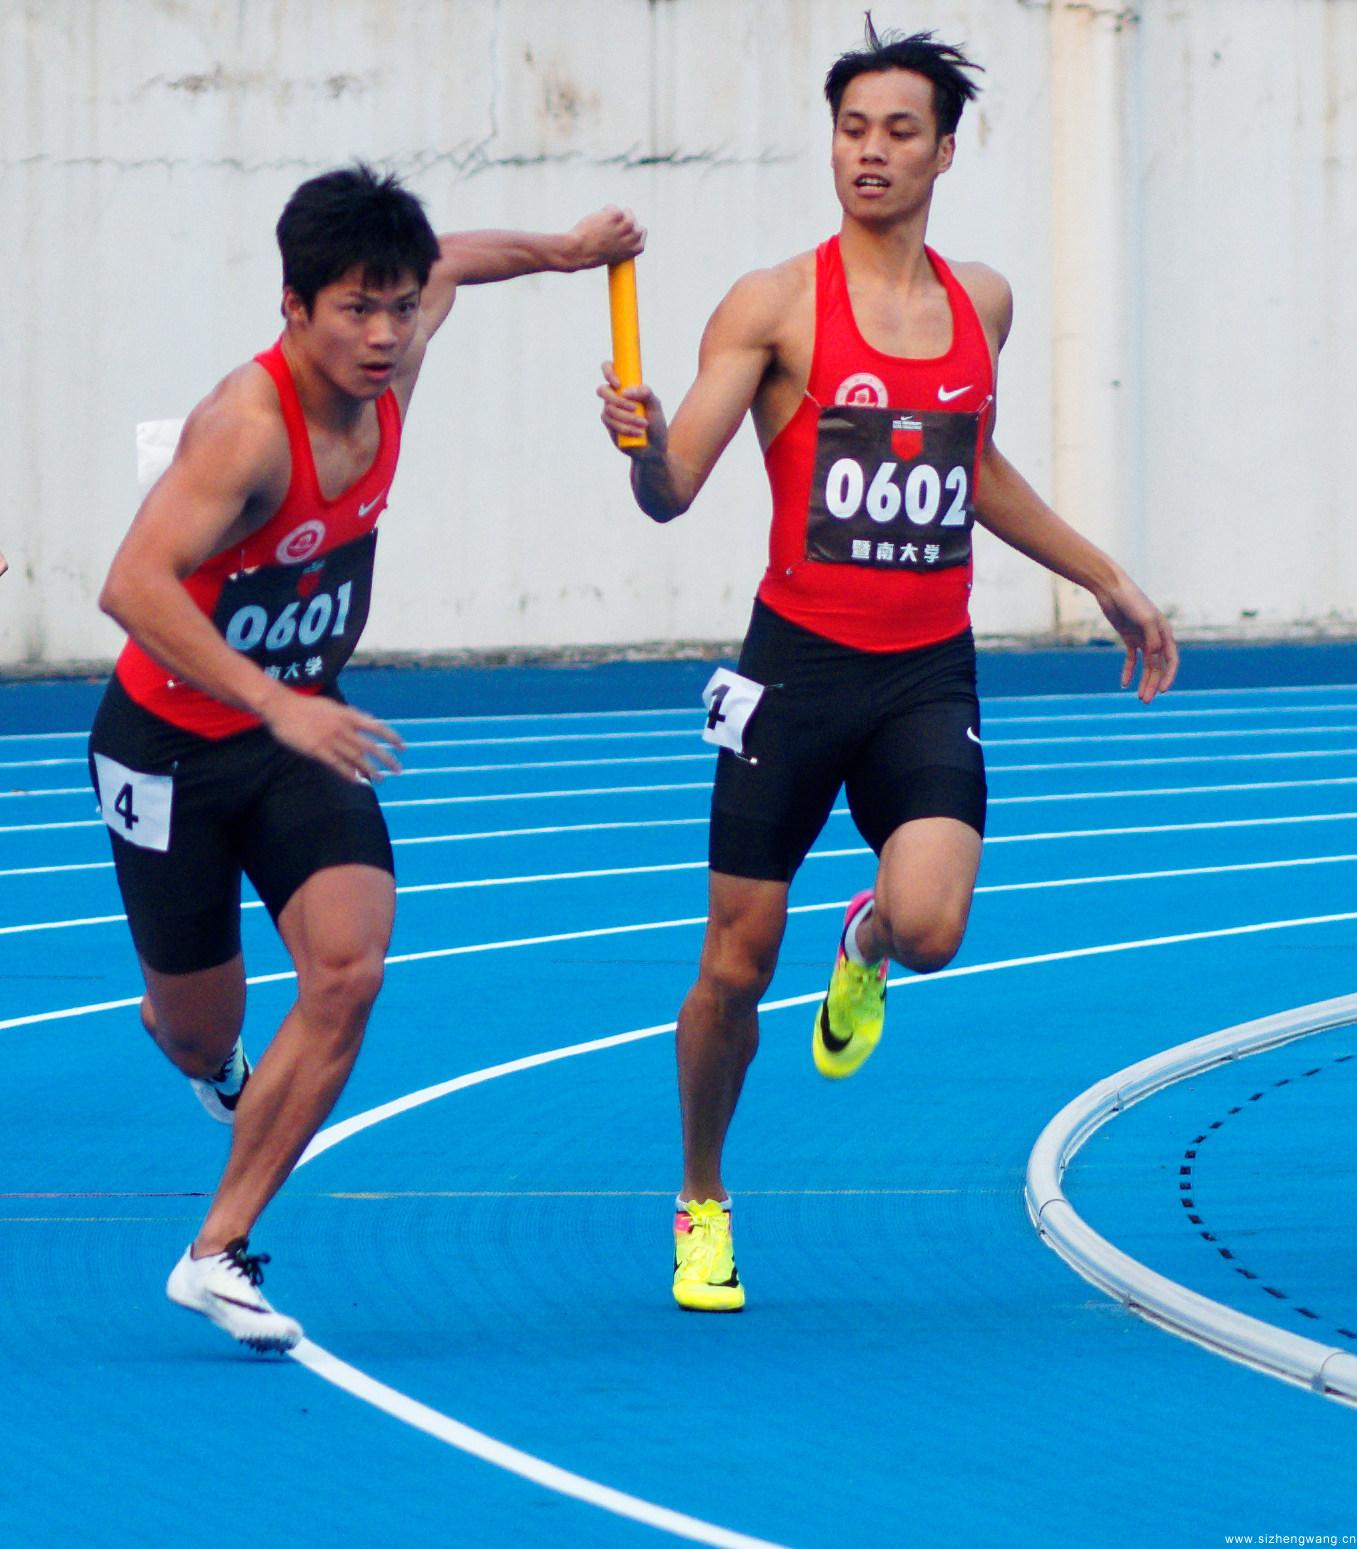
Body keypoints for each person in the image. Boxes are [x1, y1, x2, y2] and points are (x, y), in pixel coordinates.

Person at [598, 24, 1177, 1312]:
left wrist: (1103, 575)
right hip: (794, 672)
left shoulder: (983, 303)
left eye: (898, 130)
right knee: (735, 965)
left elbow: (968, 469)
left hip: (926, 670)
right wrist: (641, 444)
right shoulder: (773, 303)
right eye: (853, 129)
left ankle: (859, 935)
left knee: (929, 927)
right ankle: (701, 1192)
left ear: (943, 151)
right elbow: (673, 489)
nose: (870, 151)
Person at [91, 164, 644, 1352]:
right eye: (357, 309)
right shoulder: (243, 429)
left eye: (398, 307)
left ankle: (216, 1249)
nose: (387, 332)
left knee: (348, 972)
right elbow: (130, 585)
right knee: (194, 1028)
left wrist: (568, 246)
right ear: (294, 307)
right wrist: (269, 700)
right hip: (169, 750)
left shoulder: (398, 350)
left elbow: (457, 263)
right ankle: (206, 1051)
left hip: (301, 738)